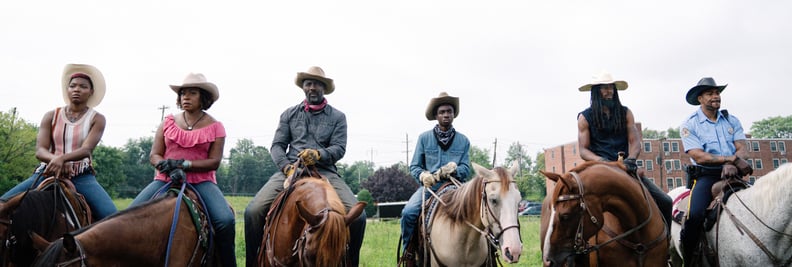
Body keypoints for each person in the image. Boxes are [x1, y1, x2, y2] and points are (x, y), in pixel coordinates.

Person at [243, 66, 366, 267]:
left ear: (324, 88)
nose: (312, 87)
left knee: (358, 218)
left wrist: (319, 154)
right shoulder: (289, 114)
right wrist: (286, 168)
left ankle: (351, 262)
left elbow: (339, 148)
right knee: (253, 211)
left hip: (325, 171)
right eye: (308, 83)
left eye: (317, 84)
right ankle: (252, 262)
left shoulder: (338, 117)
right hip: (291, 169)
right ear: (303, 88)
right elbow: (277, 146)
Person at [129, 73, 236, 267]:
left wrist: (183, 164)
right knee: (129, 215)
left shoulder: (216, 127)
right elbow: (154, 154)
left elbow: (214, 162)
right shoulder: (167, 122)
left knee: (225, 221)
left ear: (203, 97)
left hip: (201, 181)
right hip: (165, 178)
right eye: (183, 93)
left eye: (192, 93)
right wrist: (165, 165)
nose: (185, 97)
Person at [0, 63, 117, 220]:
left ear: (91, 92)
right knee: (3, 204)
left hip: (80, 176)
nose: (77, 89)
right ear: (67, 90)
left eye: (83, 87)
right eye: (73, 86)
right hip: (47, 172)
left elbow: (86, 150)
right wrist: (56, 161)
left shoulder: (97, 119)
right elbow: (40, 150)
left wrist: (62, 159)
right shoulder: (51, 116)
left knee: (111, 216)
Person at [576, 70, 673, 234]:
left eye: (611, 87)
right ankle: (575, 253)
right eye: (604, 88)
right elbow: (583, 151)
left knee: (665, 201)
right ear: (596, 91)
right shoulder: (585, 117)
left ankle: (666, 245)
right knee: (575, 207)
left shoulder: (626, 113)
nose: (609, 91)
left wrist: (631, 159)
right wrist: (604, 162)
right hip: (599, 169)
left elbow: (635, 142)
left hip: (626, 169)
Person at [679, 77, 752, 265]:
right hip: (706, 176)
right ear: (700, 98)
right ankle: (690, 259)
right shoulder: (690, 124)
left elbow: (742, 147)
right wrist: (731, 159)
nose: (716, 96)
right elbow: (699, 155)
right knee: (695, 215)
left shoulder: (731, 120)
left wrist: (735, 163)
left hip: (734, 173)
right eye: (710, 93)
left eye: (717, 93)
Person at [399, 92, 471, 257]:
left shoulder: (464, 140)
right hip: (430, 188)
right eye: (442, 112)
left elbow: (466, 168)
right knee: (408, 213)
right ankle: (408, 253)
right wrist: (423, 175)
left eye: (449, 111)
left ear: (454, 114)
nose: (446, 115)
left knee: (480, 211)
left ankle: (489, 253)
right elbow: (415, 166)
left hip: (456, 187)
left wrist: (455, 169)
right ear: (436, 116)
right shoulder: (424, 138)